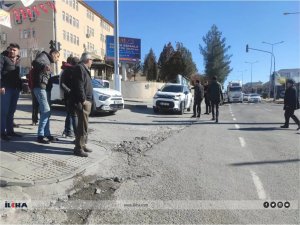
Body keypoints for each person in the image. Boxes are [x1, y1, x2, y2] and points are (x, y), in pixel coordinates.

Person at [32, 49, 60, 144]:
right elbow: (35, 62)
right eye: (57, 56)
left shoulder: (47, 60)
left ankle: (47, 134)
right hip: (40, 88)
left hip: (45, 88)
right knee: (46, 111)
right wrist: (44, 66)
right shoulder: (43, 56)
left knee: (47, 112)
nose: (57, 59)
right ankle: (40, 135)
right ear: (53, 54)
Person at [71, 53, 93, 157]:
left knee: (84, 126)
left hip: (86, 101)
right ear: (87, 60)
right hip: (82, 102)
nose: (92, 62)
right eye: (91, 60)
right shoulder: (79, 68)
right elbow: (79, 85)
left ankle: (83, 145)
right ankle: (78, 148)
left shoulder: (84, 69)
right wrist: (83, 100)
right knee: (81, 126)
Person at [0, 43, 22, 141]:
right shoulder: (3, 58)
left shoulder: (17, 61)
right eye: (11, 49)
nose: (12, 51)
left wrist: (20, 86)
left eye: (14, 50)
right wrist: (1, 86)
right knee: (3, 111)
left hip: (15, 89)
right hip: (6, 88)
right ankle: (2, 133)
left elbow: (17, 76)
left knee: (11, 111)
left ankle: (10, 131)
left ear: (18, 51)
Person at [60, 56, 79, 137]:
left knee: (69, 114)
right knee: (71, 114)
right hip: (68, 96)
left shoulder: (68, 70)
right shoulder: (66, 71)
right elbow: (62, 84)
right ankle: (69, 131)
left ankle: (66, 131)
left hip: (68, 96)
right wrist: (70, 91)